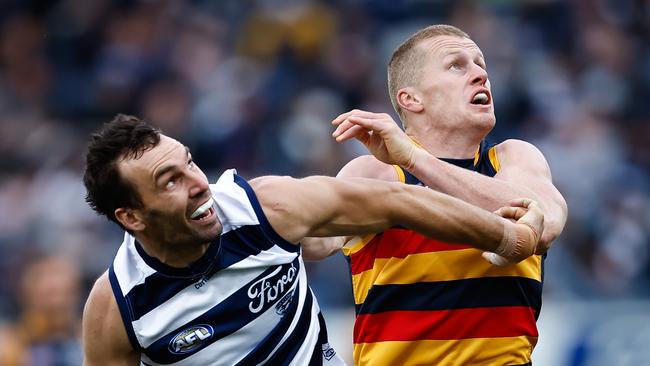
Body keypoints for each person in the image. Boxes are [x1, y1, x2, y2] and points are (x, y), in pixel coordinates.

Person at [81, 114, 543, 365]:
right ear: (131, 216)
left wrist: (509, 238)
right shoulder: (117, 306)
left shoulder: (263, 208)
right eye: (169, 181)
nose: (198, 183)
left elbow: (394, 202)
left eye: (189, 163)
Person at [304, 24, 569, 365]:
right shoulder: (379, 175)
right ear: (411, 99)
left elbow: (541, 223)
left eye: (480, 65)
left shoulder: (514, 158)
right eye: (457, 65)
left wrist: (417, 159)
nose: (480, 75)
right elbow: (310, 241)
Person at [0, 255, 83, 366]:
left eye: (66, 294)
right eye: (49, 294)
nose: (57, 303)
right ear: (27, 296)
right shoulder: (12, 345)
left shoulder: (87, 337)